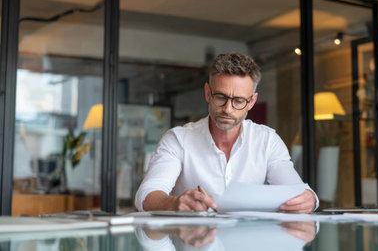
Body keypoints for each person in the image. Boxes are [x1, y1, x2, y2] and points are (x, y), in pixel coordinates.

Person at [135, 52, 318, 213]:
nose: (228, 109)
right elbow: (146, 195)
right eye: (221, 97)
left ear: (252, 101)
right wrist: (174, 203)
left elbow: (297, 192)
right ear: (208, 93)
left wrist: (309, 199)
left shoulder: (267, 141)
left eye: (238, 100)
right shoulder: (178, 140)